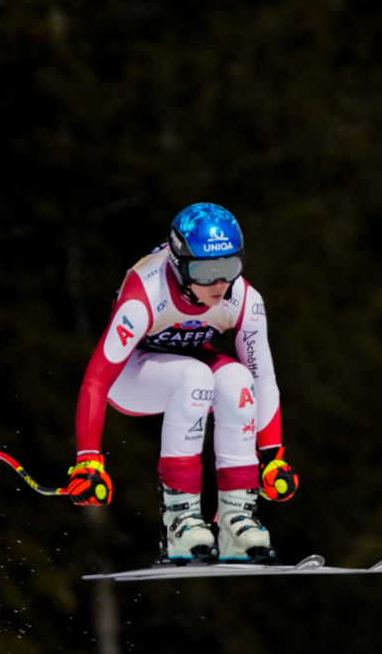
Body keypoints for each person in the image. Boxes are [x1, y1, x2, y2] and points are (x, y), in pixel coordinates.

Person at [66, 202, 298, 564]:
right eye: (206, 271)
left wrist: (271, 456)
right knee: (195, 377)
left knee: (237, 378)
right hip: (129, 379)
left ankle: (237, 519)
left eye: (230, 267)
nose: (220, 283)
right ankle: (180, 521)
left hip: (185, 365)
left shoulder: (244, 299)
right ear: (178, 263)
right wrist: (88, 459)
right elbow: (96, 380)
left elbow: (263, 377)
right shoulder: (145, 293)